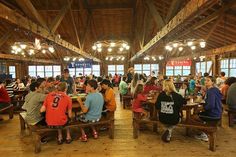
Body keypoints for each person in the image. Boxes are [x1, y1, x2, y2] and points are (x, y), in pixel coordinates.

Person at [195, 76, 222, 142]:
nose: (205, 82)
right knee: (198, 113)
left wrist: (203, 108)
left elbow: (211, 105)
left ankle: (204, 134)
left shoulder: (211, 91)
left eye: (208, 80)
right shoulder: (215, 89)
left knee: (195, 117)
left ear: (212, 82)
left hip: (213, 114)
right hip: (218, 112)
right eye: (205, 80)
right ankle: (205, 127)